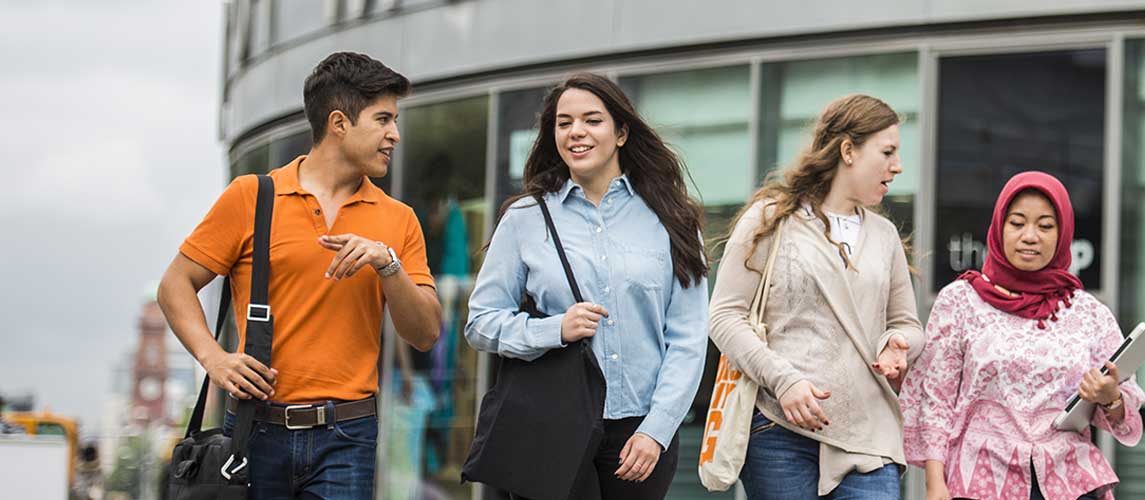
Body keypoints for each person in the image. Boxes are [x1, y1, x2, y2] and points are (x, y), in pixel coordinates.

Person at [157, 51, 442, 499]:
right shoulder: (251, 197)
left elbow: (424, 333)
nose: (395, 135)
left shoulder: (399, 220)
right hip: (255, 431)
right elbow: (175, 285)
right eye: (383, 119)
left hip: (348, 435)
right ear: (339, 123)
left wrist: (387, 265)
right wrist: (214, 359)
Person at [465, 72, 710, 500]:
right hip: (550, 424)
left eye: (592, 120)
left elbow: (688, 338)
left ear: (621, 132)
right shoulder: (526, 218)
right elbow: (481, 322)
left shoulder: (673, 220)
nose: (576, 131)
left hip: (639, 434)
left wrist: (658, 429)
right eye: (564, 123)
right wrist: (552, 329)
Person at [708, 94, 924, 499]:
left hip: (868, 433)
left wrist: (899, 346)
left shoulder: (885, 236)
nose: (897, 167)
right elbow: (724, 316)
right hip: (778, 430)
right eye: (888, 152)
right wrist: (784, 381)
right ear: (848, 151)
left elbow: (907, 324)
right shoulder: (771, 219)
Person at [900, 171, 1145, 500]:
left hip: (1068, 481)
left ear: (1063, 234)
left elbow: (1124, 410)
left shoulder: (1088, 312)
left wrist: (1110, 396)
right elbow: (936, 399)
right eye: (1017, 223)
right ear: (999, 228)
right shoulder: (959, 301)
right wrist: (934, 483)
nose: (1030, 236)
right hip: (981, 481)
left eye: (1045, 226)